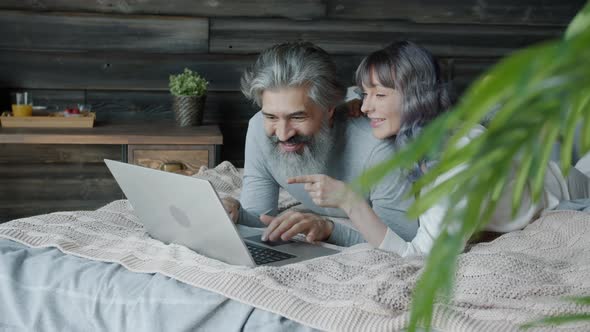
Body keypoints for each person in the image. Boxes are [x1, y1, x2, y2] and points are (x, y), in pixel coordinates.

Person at [287, 41, 548, 257]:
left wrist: (349, 201)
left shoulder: (455, 157)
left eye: (378, 95)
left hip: (554, 187)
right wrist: (350, 105)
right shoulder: (418, 135)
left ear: (415, 97)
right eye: (365, 95)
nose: (365, 107)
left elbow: (422, 255)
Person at [222, 41, 419, 246]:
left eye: (297, 118)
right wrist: (235, 214)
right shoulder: (257, 129)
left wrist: (328, 230)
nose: (282, 134)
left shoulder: (377, 147)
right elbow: (261, 218)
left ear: (329, 110)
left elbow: (399, 241)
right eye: (271, 117)